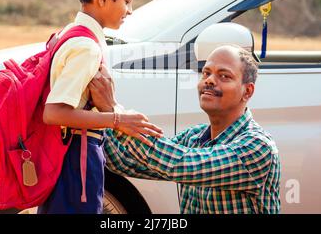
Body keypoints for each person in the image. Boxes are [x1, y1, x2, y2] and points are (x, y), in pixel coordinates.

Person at [38, 0, 163, 214]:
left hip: (70, 157)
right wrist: (117, 120)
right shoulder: (86, 46)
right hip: (76, 159)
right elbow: (54, 112)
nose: (130, 10)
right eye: (127, 1)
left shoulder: (72, 34)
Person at [89, 45, 281, 214]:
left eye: (224, 76)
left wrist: (114, 111)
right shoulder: (194, 137)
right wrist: (95, 114)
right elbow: (126, 163)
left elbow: (181, 164)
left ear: (247, 91)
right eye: (206, 73)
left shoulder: (257, 147)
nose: (210, 80)